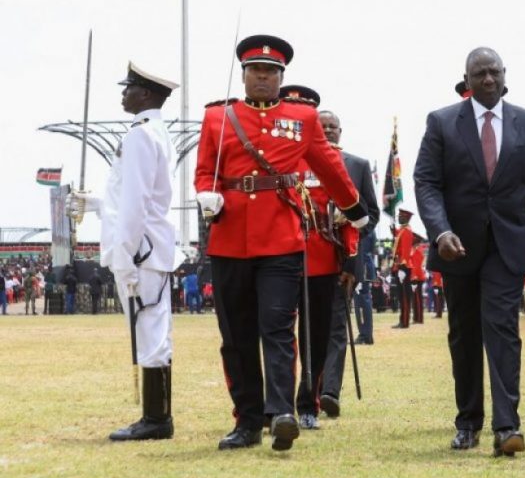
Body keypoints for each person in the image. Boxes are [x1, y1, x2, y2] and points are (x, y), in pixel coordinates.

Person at [194, 35, 368, 452]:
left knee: (277, 328)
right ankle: (247, 421)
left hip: (281, 238)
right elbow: (205, 170)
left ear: (281, 76)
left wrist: (356, 209)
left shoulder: (302, 118)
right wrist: (205, 194)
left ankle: (282, 412)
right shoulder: (219, 117)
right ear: (243, 74)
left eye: (270, 72)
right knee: (236, 336)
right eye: (255, 70)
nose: (262, 77)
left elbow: (328, 167)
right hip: (230, 236)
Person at [414, 47, 525, 457]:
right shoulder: (442, 122)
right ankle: (468, 422)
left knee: (501, 329)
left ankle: (507, 426)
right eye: (480, 73)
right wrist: (439, 231)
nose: (489, 79)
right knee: (463, 335)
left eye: (494, 71)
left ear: (505, 74)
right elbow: (426, 182)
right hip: (456, 248)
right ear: (467, 78)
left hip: (508, 248)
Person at [68, 62, 185, 441]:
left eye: (129, 88)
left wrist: (125, 255)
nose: (123, 94)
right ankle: (155, 415)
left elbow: (136, 204)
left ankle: (156, 418)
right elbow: (131, 198)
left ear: (146, 95)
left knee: (149, 330)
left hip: (140, 250)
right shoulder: (154, 133)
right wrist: (98, 202)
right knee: (152, 328)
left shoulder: (139, 135)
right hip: (149, 246)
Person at [307, 108, 380, 423]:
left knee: (337, 327)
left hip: (346, 261)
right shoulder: (302, 162)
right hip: (310, 258)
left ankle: (330, 393)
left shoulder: (358, 166)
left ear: (341, 131)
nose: (328, 130)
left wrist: (351, 218)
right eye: (322, 126)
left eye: (333, 126)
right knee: (312, 328)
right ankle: (311, 388)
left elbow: (372, 214)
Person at [391, 208, 414, 328]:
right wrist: (392, 229)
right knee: (401, 296)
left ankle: (404, 322)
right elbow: (397, 241)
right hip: (399, 266)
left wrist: (402, 267)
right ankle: (402, 319)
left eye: (401, 216)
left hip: (403, 267)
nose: (398, 217)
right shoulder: (402, 230)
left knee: (404, 296)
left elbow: (405, 250)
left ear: (406, 218)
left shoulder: (407, 231)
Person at [354, 228, 377, 343]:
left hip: (361, 268)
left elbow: (360, 252)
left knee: (361, 303)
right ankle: (366, 334)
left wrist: (357, 272)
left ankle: (365, 335)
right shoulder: (370, 228)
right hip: (365, 267)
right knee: (363, 301)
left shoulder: (361, 229)